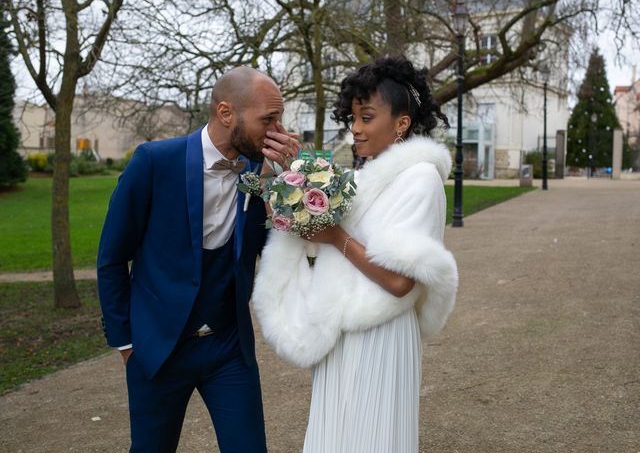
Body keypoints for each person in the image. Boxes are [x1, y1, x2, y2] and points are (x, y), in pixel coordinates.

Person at [252, 56, 459, 452]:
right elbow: (301, 231)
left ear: (401, 123)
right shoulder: (362, 178)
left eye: (366, 117)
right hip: (342, 333)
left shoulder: (421, 178)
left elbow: (400, 282)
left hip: (382, 335)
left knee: (374, 439)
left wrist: (337, 238)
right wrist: (281, 177)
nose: (355, 130)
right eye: (352, 118)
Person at [97, 66, 300, 452]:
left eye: (280, 118)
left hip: (228, 348)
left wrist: (293, 183)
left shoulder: (263, 171)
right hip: (158, 349)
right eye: (268, 119)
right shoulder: (154, 162)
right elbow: (112, 257)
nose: (278, 130)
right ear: (226, 113)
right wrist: (126, 343)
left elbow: (283, 250)